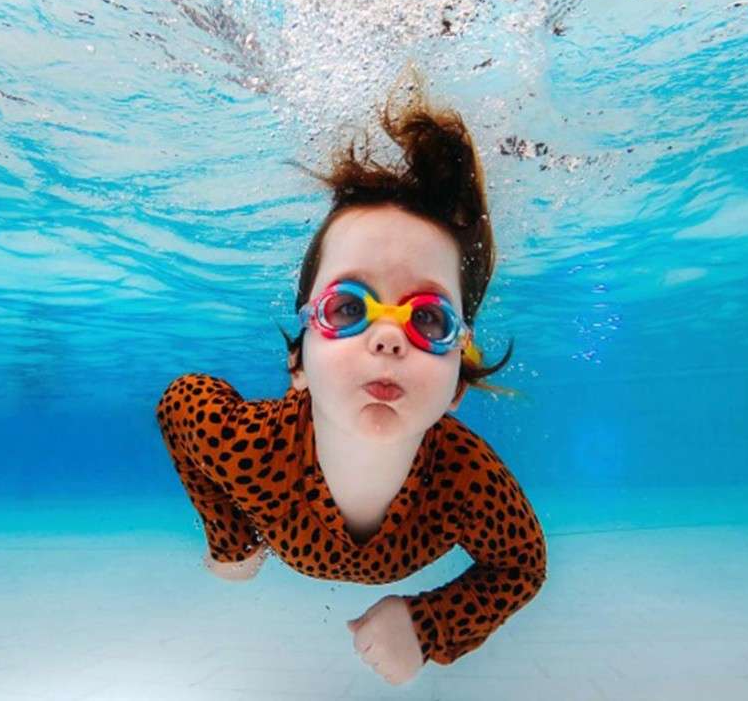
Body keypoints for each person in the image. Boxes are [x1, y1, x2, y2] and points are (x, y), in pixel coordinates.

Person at [155, 68, 546, 686]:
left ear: (458, 384)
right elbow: (182, 404)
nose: (388, 337)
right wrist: (231, 540)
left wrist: (429, 626)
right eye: (346, 309)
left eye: (429, 319)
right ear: (299, 363)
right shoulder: (251, 446)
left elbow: (522, 563)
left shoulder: (464, 481)